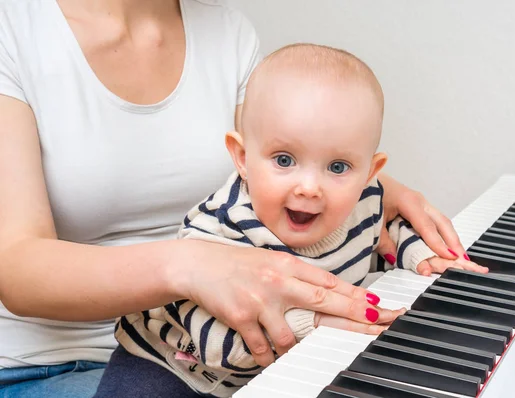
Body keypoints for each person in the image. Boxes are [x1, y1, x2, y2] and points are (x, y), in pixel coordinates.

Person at [0, 1, 481, 397]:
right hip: (71, 362)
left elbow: (284, 148)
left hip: (251, 349)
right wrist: (190, 268)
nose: (310, 186)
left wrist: (388, 204)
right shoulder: (15, 29)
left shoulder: (228, 31)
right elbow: (16, 270)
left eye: (341, 170)